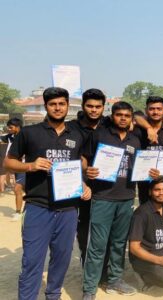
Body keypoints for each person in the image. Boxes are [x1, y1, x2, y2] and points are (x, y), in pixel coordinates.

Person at [4, 87, 91, 300]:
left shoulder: (77, 134)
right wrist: (31, 166)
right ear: (46, 106)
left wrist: (83, 183)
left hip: (68, 209)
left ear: (67, 106)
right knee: (32, 261)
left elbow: (81, 161)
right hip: (38, 206)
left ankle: (53, 294)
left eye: (62, 103)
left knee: (62, 259)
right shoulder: (30, 132)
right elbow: (8, 162)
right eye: (53, 104)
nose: (58, 107)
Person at [82, 101, 141, 299]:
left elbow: (137, 167)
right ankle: (89, 289)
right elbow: (84, 158)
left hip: (126, 198)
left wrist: (148, 171)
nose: (123, 118)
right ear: (112, 116)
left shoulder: (135, 140)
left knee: (118, 243)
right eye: (119, 115)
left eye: (127, 115)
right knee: (97, 246)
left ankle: (115, 280)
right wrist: (86, 171)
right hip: (103, 197)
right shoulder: (99, 135)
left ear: (131, 117)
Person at [66, 88, 107, 267]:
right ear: (83, 106)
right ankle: (85, 256)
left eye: (98, 106)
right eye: (90, 106)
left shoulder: (109, 123)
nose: (94, 110)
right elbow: (73, 153)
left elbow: (134, 119)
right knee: (83, 222)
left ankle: (104, 262)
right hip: (80, 183)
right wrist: (85, 169)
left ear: (103, 107)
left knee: (104, 224)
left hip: (107, 185)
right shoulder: (72, 127)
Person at [1, 117, 25, 221]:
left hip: (25, 166)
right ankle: (21, 212)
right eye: (8, 127)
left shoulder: (25, 136)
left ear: (17, 127)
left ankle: (19, 212)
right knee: (21, 190)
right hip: (15, 166)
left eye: (11, 127)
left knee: (17, 189)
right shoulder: (10, 136)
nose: (9, 129)